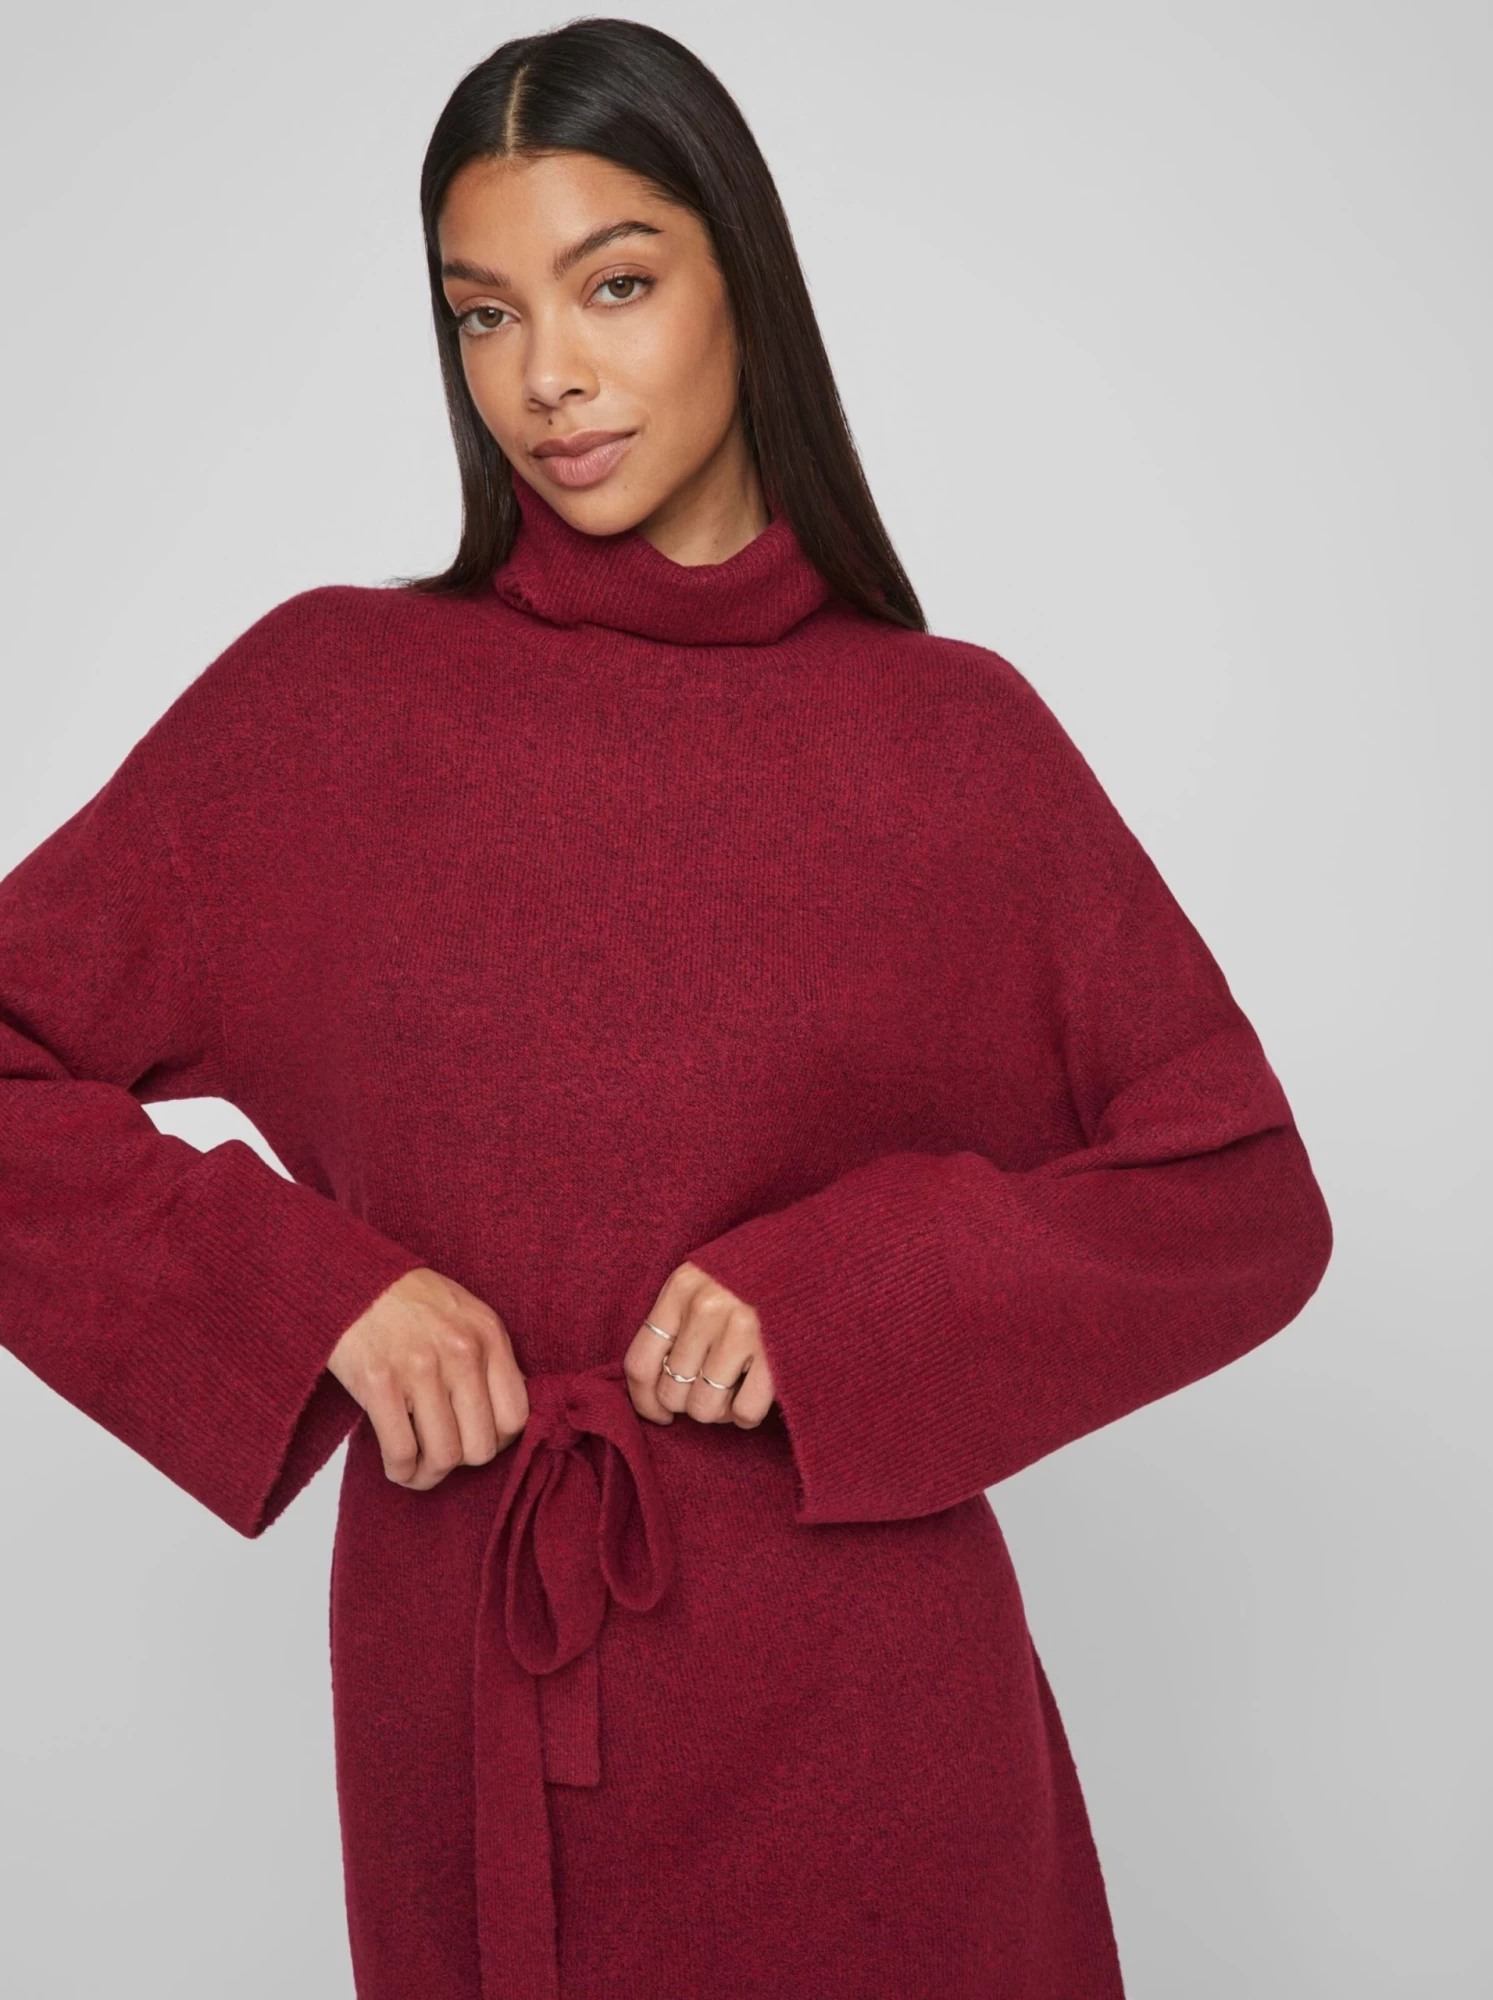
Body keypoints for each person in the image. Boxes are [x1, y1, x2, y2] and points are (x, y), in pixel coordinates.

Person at [0, 18, 1334, 2000]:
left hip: (880, 1732)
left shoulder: (952, 746)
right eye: (483, 312)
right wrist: (307, 1292)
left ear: (743, 286)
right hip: (469, 1686)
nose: (544, 374)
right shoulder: (325, 712)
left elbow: (1240, 1200)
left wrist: (854, 1295)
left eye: (613, 284)